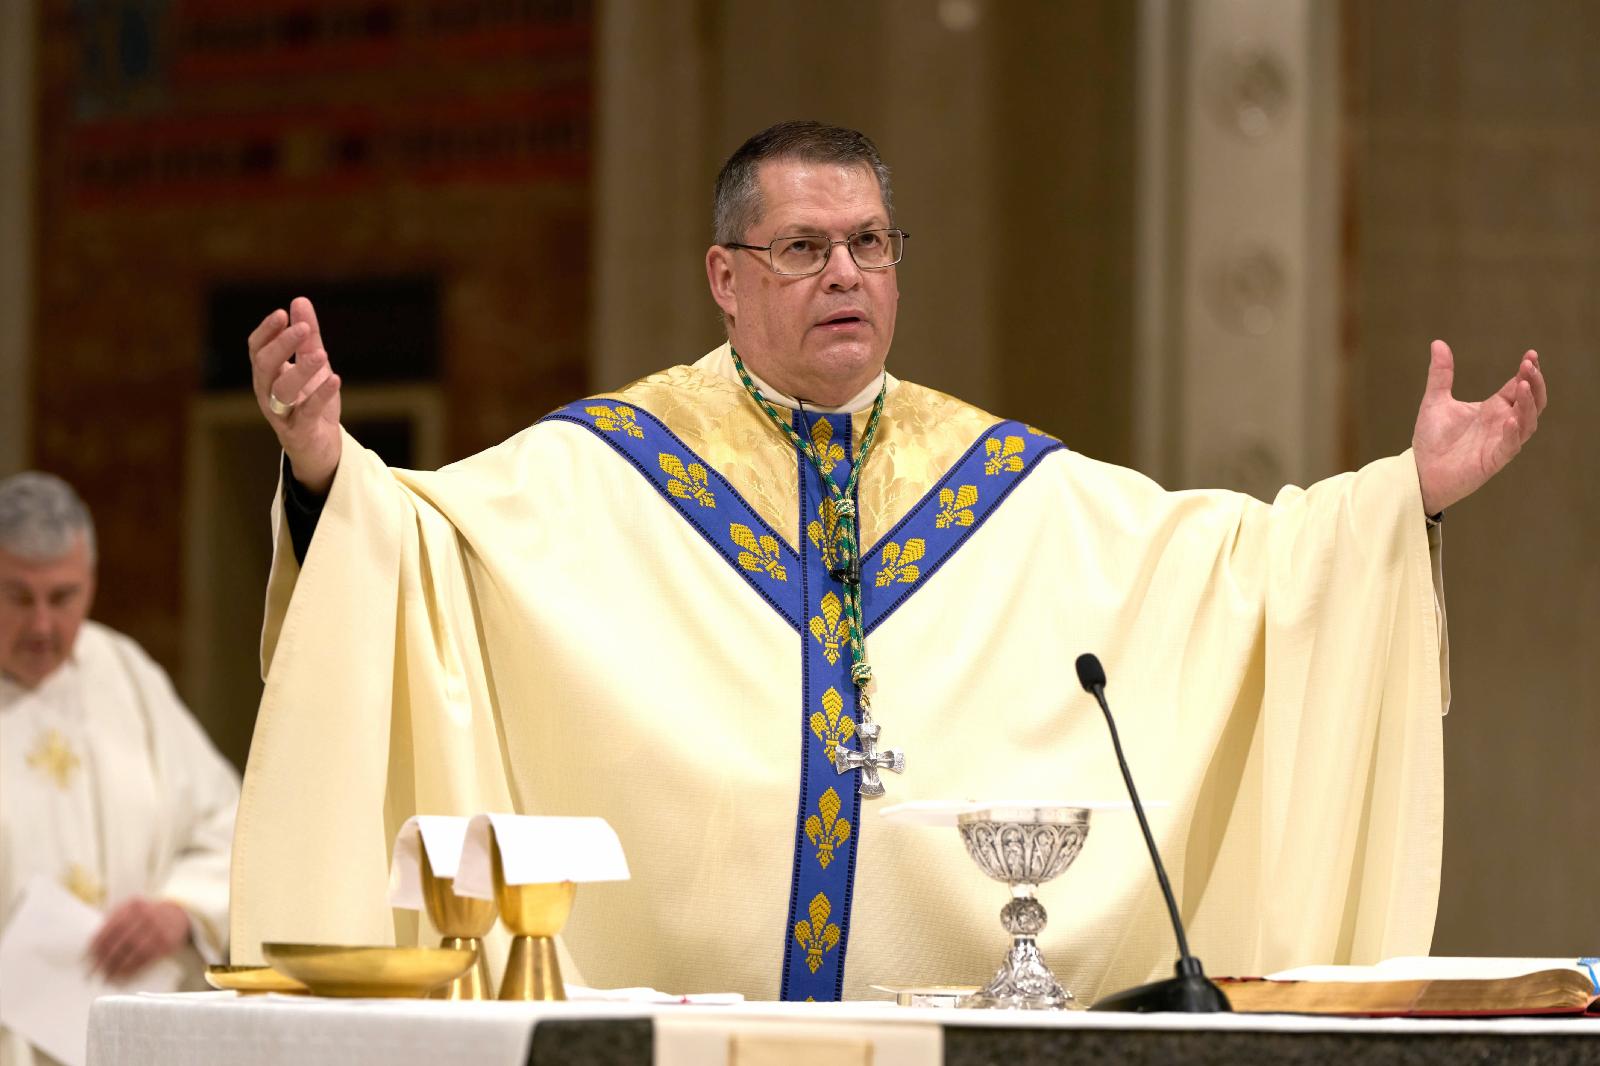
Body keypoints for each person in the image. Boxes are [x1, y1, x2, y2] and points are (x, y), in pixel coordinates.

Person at [231, 122, 1546, 1004]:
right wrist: (325, 464)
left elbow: (1240, 572)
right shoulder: (605, 466)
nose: (846, 273)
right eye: (804, 249)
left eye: (871, 243)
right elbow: (415, 553)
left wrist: (1402, 497)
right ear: (725, 277)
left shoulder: (998, 477)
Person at [0, 473, 240, 1064]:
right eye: (17, 596)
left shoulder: (127, 676)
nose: (41, 627)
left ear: (91, 582)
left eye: (62, 597)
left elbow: (231, 826)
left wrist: (181, 911)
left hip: (127, 1038)